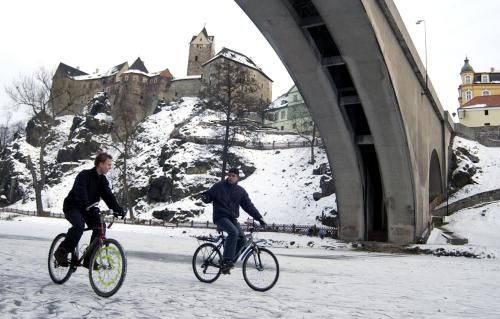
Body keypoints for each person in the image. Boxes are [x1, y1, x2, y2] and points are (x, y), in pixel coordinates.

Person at [54, 153, 126, 267]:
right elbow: (80, 193)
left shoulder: (102, 180)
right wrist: (88, 205)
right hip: (72, 207)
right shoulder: (84, 175)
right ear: (100, 164)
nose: (110, 167)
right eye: (108, 164)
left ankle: (89, 259)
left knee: (100, 226)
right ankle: (61, 251)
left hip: (88, 209)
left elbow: (108, 196)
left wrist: (118, 209)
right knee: (79, 226)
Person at [201, 168, 266, 274]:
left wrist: (259, 218)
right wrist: (205, 197)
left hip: (231, 218)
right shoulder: (219, 186)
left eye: (233, 176)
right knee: (233, 232)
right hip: (220, 217)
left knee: (242, 240)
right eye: (229, 175)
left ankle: (228, 262)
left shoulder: (240, 191)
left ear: (237, 178)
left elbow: (249, 206)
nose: (231, 177)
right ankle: (226, 260)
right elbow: (209, 194)